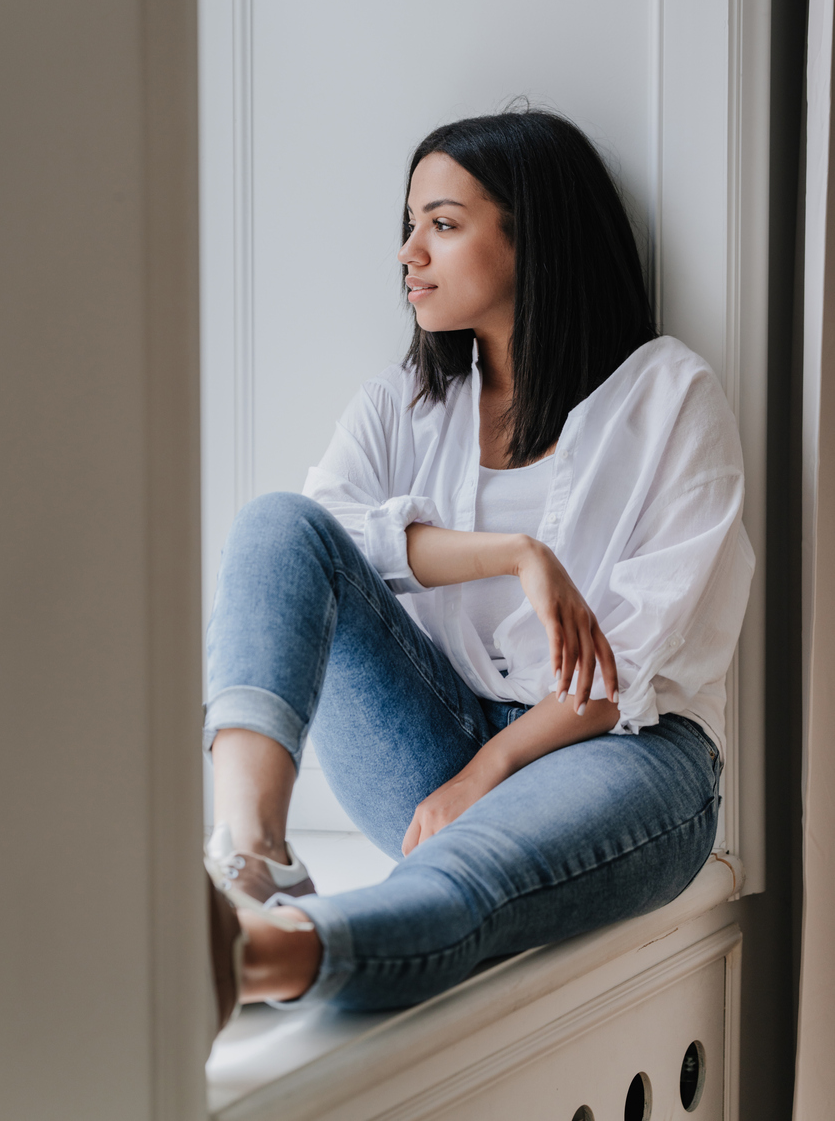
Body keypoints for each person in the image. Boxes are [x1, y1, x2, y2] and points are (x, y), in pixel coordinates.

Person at [204, 109, 754, 1031]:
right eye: (409, 224)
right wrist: (512, 554)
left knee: (474, 877)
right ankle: (251, 857)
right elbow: (320, 536)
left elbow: (628, 671)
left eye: (443, 224)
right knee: (277, 524)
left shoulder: (667, 396)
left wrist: (483, 775)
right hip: (435, 739)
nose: (409, 252)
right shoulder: (405, 403)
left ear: (531, 237)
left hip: (622, 756)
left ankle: (248, 963)